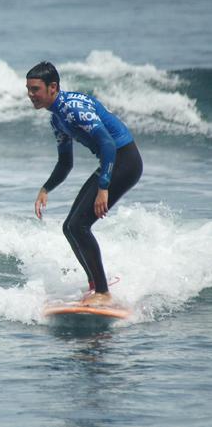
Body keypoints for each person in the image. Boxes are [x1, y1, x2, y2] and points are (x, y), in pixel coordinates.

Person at [26, 61, 143, 306]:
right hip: (113, 162)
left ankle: (103, 292)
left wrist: (104, 188)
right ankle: (96, 285)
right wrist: (46, 188)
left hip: (125, 161)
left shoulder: (73, 109)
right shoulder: (58, 119)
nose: (31, 95)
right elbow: (65, 163)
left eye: (35, 89)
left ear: (53, 87)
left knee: (80, 226)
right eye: (29, 89)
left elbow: (108, 143)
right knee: (69, 226)